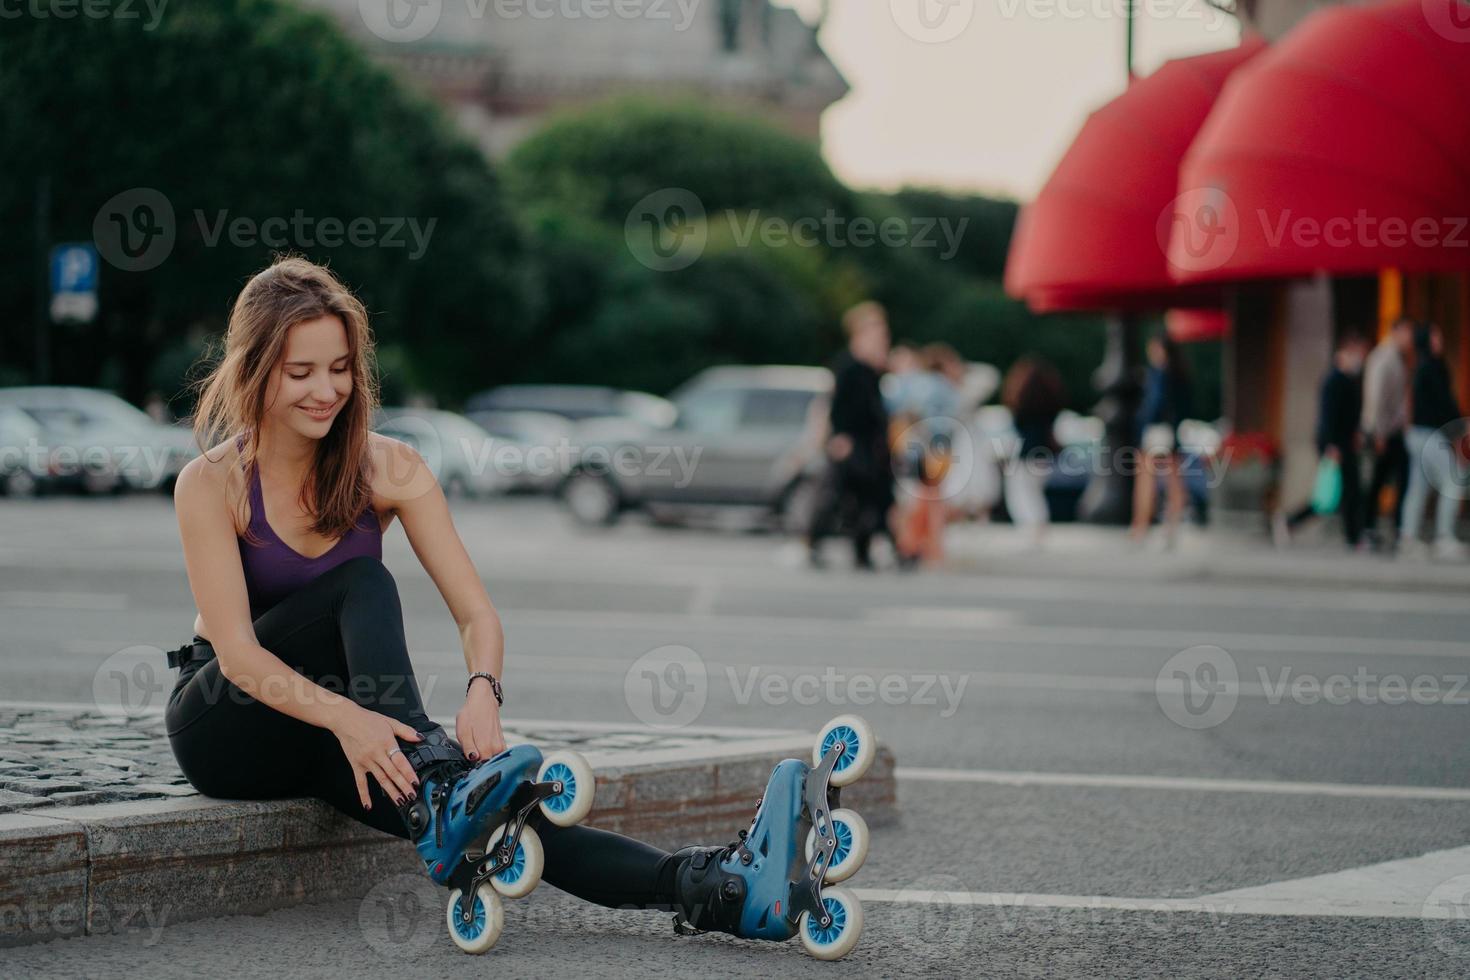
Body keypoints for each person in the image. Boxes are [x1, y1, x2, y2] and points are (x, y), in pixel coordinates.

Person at [163, 257, 818, 951]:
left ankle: (720, 890)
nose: (327, 390)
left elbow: (477, 615)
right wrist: (357, 722)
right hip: (227, 722)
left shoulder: (391, 468)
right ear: (254, 370)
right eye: (301, 373)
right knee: (363, 584)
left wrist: (482, 691)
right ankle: (439, 786)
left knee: (508, 817)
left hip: (338, 721)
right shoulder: (210, 484)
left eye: (340, 368)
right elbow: (237, 654)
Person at [807, 301, 897, 570]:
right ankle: (815, 541)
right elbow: (837, 406)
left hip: (872, 444)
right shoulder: (848, 366)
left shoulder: (871, 371)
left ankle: (864, 549)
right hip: (852, 443)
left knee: (871, 496)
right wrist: (839, 437)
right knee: (841, 495)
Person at [1398, 322, 1468, 560]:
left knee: (1418, 487)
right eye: (1436, 336)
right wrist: (1460, 426)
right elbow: (1443, 404)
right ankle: (1443, 537)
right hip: (1428, 435)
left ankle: (1408, 538)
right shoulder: (1433, 367)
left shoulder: (1420, 367)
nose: (1440, 339)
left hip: (1417, 435)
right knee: (1452, 480)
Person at [1130, 334, 1193, 545]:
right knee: (1174, 482)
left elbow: (1154, 405)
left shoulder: (1160, 374)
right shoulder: (1180, 374)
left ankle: (1141, 527)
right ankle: (1170, 526)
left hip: (1156, 433)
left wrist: (1143, 421)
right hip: (1171, 433)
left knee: (1147, 481)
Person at [1361, 318, 1414, 549]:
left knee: (1396, 478)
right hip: (1384, 431)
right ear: (1396, 332)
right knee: (1378, 481)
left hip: (1394, 431)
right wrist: (1378, 433)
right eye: (1406, 333)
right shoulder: (1383, 357)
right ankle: (1370, 528)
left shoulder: (1400, 359)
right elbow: (1376, 397)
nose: (1409, 339)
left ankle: (1394, 526)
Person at [1001, 357, 1065, 546]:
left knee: (1021, 494)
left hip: (1027, 455)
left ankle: (1031, 530)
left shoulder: (1021, 408)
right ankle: (1039, 529)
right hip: (1044, 455)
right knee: (1035, 493)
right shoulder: (1050, 406)